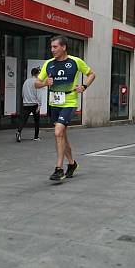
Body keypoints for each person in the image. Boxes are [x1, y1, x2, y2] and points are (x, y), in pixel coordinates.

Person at [35, 36, 95, 181]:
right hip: (54, 103)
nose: (52, 50)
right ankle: (72, 164)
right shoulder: (48, 64)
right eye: (51, 47)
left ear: (63, 47)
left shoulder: (75, 61)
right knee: (62, 136)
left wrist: (84, 86)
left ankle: (59, 168)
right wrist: (44, 83)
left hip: (69, 102)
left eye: (55, 47)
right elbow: (36, 83)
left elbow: (91, 74)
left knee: (58, 132)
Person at [16, 67, 42, 142]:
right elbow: (38, 94)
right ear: (37, 73)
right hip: (34, 104)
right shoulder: (37, 81)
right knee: (36, 121)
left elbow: (23, 92)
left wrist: (24, 100)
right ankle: (36, 137)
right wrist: (39, 105)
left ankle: (19, 131)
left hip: (26, 103)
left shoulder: (26, 82)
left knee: (23, 120)